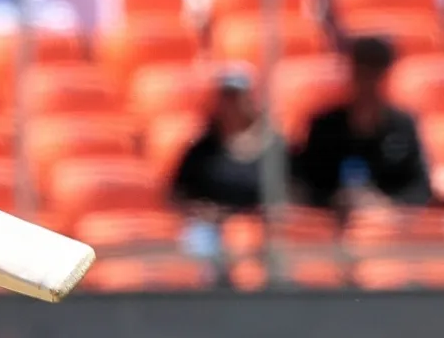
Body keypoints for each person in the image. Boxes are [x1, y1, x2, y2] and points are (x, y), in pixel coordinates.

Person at [291, 35, 433, 210]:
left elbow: (419, 187)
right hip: (333, 227)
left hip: (391, 229)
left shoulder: (403, 126)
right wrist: (335, 200)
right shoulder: (324, 126)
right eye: (363, 71)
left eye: (376, 72)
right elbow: (304, 182)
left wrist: (387, 205)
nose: (369, 81)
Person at [171, 66, 274, 218]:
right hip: (212, 226)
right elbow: (179, 195)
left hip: (262, 227)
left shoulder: (275, 148)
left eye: (236, 96)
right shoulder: (202, 149)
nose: (230, 105)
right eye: (225, 97)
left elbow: (294, 194)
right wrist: (201, 211)